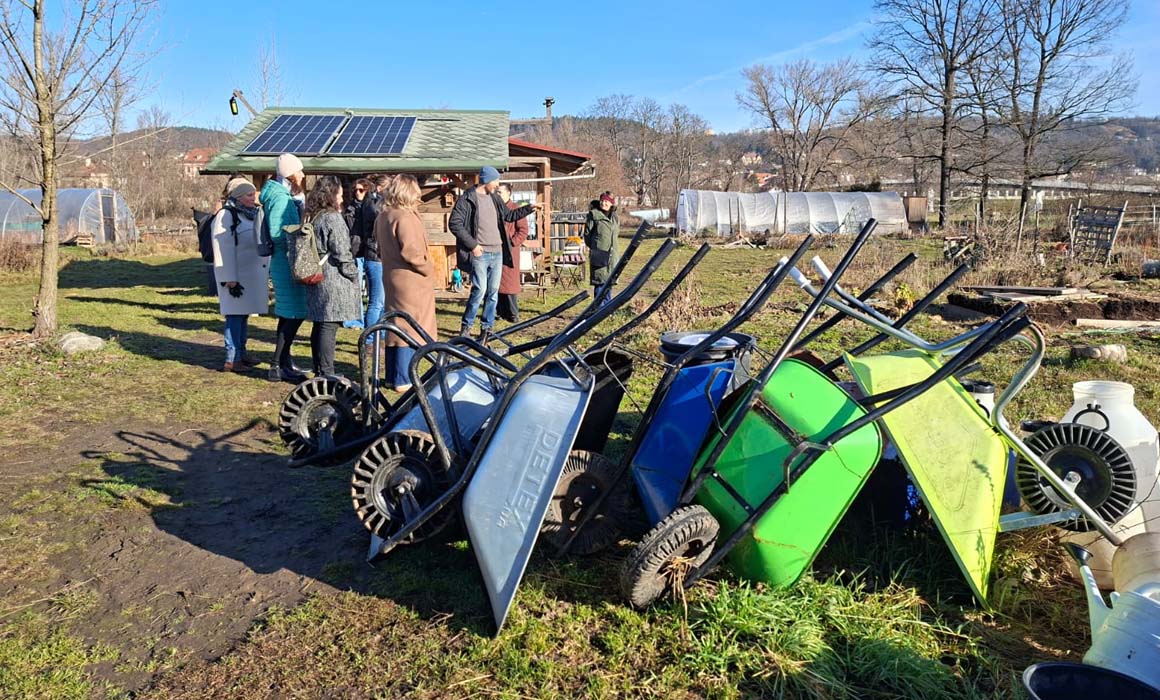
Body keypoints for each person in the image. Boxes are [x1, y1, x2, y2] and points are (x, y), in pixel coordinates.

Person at [448, 165, 540, 340]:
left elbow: (509, 216)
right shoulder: (468, 199)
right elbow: (454, 224)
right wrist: (473, 245)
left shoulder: (495, 199)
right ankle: (466, 327)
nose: (498, 185)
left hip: (497, 252)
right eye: (496, 181)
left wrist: (529, 208)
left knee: (493, 293)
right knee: (479, 291)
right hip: (480, 253)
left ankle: (486, 329)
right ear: (487, 180)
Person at [375, 174, 438, 391]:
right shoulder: (405, 217)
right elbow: (412, 252)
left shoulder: (384, 216)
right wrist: (429, 267)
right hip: (411, 281)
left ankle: (392, 375)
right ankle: (404, 378)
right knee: (410, 327)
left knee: (395, 325)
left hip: (392, 276)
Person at [302, 176, 360, 379]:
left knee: (320, 324)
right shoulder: (332, 218)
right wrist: (353, 273)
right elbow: (341, 250)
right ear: (331, 195)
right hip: (332, 277)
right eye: (340, 195)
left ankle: (320, 368)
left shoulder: (313, 215)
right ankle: (327, 372)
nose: (342, 199)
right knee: (329, 324)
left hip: (318, 274)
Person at [260, 153, 310, 382]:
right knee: (292, 314)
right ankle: (276, 365)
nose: (302, 174)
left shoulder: (283, 194)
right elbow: (277, 232)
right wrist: (299, 232)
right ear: (290, 173)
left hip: (286, 260)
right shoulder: (280, 198)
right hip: (285, 261)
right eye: (299, 170)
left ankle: (284, 361)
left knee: (292, 314)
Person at [210, 178, 269, 371]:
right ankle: (231, 358)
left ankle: (241, 354)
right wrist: (229, 277)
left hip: (248, 275)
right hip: (235, 278)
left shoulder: (249, 214)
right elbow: (222, 248)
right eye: (249, 195)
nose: (254, 198)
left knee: (243, 316)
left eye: (254, 194)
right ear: (237, 196)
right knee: (234, 316)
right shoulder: (226, 215)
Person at [357, 175, 390, 336]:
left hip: (381, 256)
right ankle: (369, 340)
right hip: (374, 256)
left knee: (383, 302)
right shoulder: (372, 203)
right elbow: (379, 215)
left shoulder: (375, 202)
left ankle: (382, 336)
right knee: (376, 301)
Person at [496, 183, 530, 323]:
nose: (498, 195)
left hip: (510, 251)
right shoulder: (496, 208)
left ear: (508, 193)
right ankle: (498, 311)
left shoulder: (516, 209)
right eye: (497, 192)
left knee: (510, 283)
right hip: (496, 249)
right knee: (496, 282)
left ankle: (513, 313)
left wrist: (512, 243)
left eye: (500, 193)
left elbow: (523, 231)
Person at [585, 191, 619, 305]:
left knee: (609, 283)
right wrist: (596, 247)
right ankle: (598, 311)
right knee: (600, 284)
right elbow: (587, 236)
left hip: (612, 256)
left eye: (606, 201)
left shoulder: (615, 218)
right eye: (602, 201)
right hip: (599, 255)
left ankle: (607, 310)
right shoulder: (594, 215)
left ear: (611, 204)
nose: (603, 203)